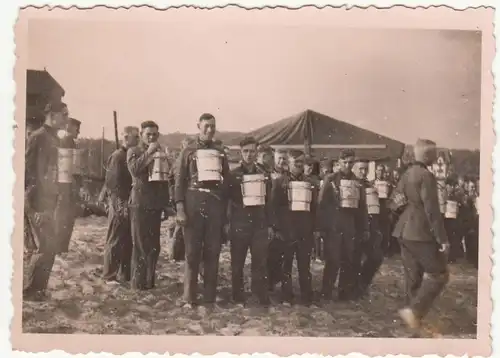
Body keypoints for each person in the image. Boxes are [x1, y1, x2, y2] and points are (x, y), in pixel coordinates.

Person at [391, 139, 450, 330]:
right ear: (426, 155)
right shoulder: (426, 176)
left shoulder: (406, 174)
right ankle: (414, 312)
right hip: (420, 232)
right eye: (434, 153)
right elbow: (432, 210)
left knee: (413, 277)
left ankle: (413, 321)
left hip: (403, 230)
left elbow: (395, 202)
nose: (436, 157)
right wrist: (442, 239)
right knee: (439, 273)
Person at [174, 113, 230, 310]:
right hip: (193, 204)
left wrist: (225, 212)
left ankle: (209, 298)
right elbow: (179, 182)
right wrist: (180, 208)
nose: (210, 130)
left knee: (213, 252)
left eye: (213, 126)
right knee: (192, 253)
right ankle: (189, 297)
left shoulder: (220, 152)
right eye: (206, 126)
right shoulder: (188, 151)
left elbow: (227, 183)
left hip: (215, 206)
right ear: (198, 126)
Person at [23, 102, 68, 300]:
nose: (66, 119)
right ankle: (31, 290)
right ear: (53, 115)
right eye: (64, 115)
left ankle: (39, 289)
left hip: (50, 199)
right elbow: (30, 173)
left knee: (50, 246)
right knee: (44, 246)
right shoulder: (38, 137)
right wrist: (33, 207)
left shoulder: (53, 139)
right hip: (39, 201)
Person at [269, 149, 320, 306]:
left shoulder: (310, 183)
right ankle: (287, 296)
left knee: (304, 265)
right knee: (287, 266)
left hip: (305, 230)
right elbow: (273, 207)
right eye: (295, 162)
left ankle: (306, 297)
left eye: (300, 162)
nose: (298, 165)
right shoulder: (279, 182)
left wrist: (316, 228)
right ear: (288, 163)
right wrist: (275, 227)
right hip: (287, 230)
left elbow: (315, 208)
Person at [227, 136, 272, 306]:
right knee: (237, 262)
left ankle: (259, 295)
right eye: (246, 151)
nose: (249, 154)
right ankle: (237, 296)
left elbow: (269, 201)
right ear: (240, 153)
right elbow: (227, 200)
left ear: (257, 152)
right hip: (239, 224)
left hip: (259, 224)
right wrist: (228, 223)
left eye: (252, 151)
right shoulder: (233, 175)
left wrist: (269, 225)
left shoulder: (263, 174)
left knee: (260, 262)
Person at [318, 149, 368, 301]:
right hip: (334, 226)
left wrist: (364, 227)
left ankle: (343, 292)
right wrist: (320, 228)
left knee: (348, 259)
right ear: (339, 162)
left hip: (350, 226)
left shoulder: (357, 182)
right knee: (333, 260)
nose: (347, 165)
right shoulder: (331, 179)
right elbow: (321, 204)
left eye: (350, 162)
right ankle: (326, 292)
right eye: (345, 162)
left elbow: (362, 207)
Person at [127, 120, 171, 290]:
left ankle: (149, 282)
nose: (151, 137)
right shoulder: (134, 151)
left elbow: (164, 180)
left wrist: (165, 205)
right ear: (141, 135)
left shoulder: (161, 152)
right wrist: (149, 153)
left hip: (155, 205)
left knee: (154, 246)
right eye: (148, 134)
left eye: (154, 134)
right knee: (140, 245)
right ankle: (138, 284)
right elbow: (134, 170)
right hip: (139, 204)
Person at [102, 126, 140, 284]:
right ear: (126, 138)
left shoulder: (129, 155)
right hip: (120, 202)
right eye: (135, 137)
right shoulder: (118, 157)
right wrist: (119, 205)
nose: (138, 140)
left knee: (126, 240)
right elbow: (113, 184)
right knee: (115, 239)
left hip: (128, 203)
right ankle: (109, 275)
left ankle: (124, 274)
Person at [354, 160, 384, 295]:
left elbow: (375, 209)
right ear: (354, 169)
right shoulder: (352, 184)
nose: (363, 172)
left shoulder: (370, 185)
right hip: (355, 226)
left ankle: (362, 283)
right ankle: (353, 287)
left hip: (371, 226)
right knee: (353, 258)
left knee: (376, 256)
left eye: (365, 169)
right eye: (360, 169)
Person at [54, 117, 83, 255]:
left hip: (70, 185)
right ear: (69, 127)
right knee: (64, 217)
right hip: (65, 186)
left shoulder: (71, 142)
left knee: (67, 217)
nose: (78, 131)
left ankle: (62, 247)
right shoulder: (65, 141)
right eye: (77, 128)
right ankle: (60, 247)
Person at [267, 149, 289, 291]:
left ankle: (278, 281)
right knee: (271, 253)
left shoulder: (289, 176)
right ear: (275, 159)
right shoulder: (269, 175)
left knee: (283, 253)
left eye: (284, 159)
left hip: (286, 219)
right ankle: (269, 284)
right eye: (279, 158)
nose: (282, 161)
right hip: (271, 217)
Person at [444, 177, 464, 263]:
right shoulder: (443, 194)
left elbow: (459, 208)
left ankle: (451, 257)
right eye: (450, 186)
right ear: (446, 186)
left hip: (453, 219)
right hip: (445, 218)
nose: (451, 188)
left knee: (452, 238)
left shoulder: (456, 196)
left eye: (453, 186)